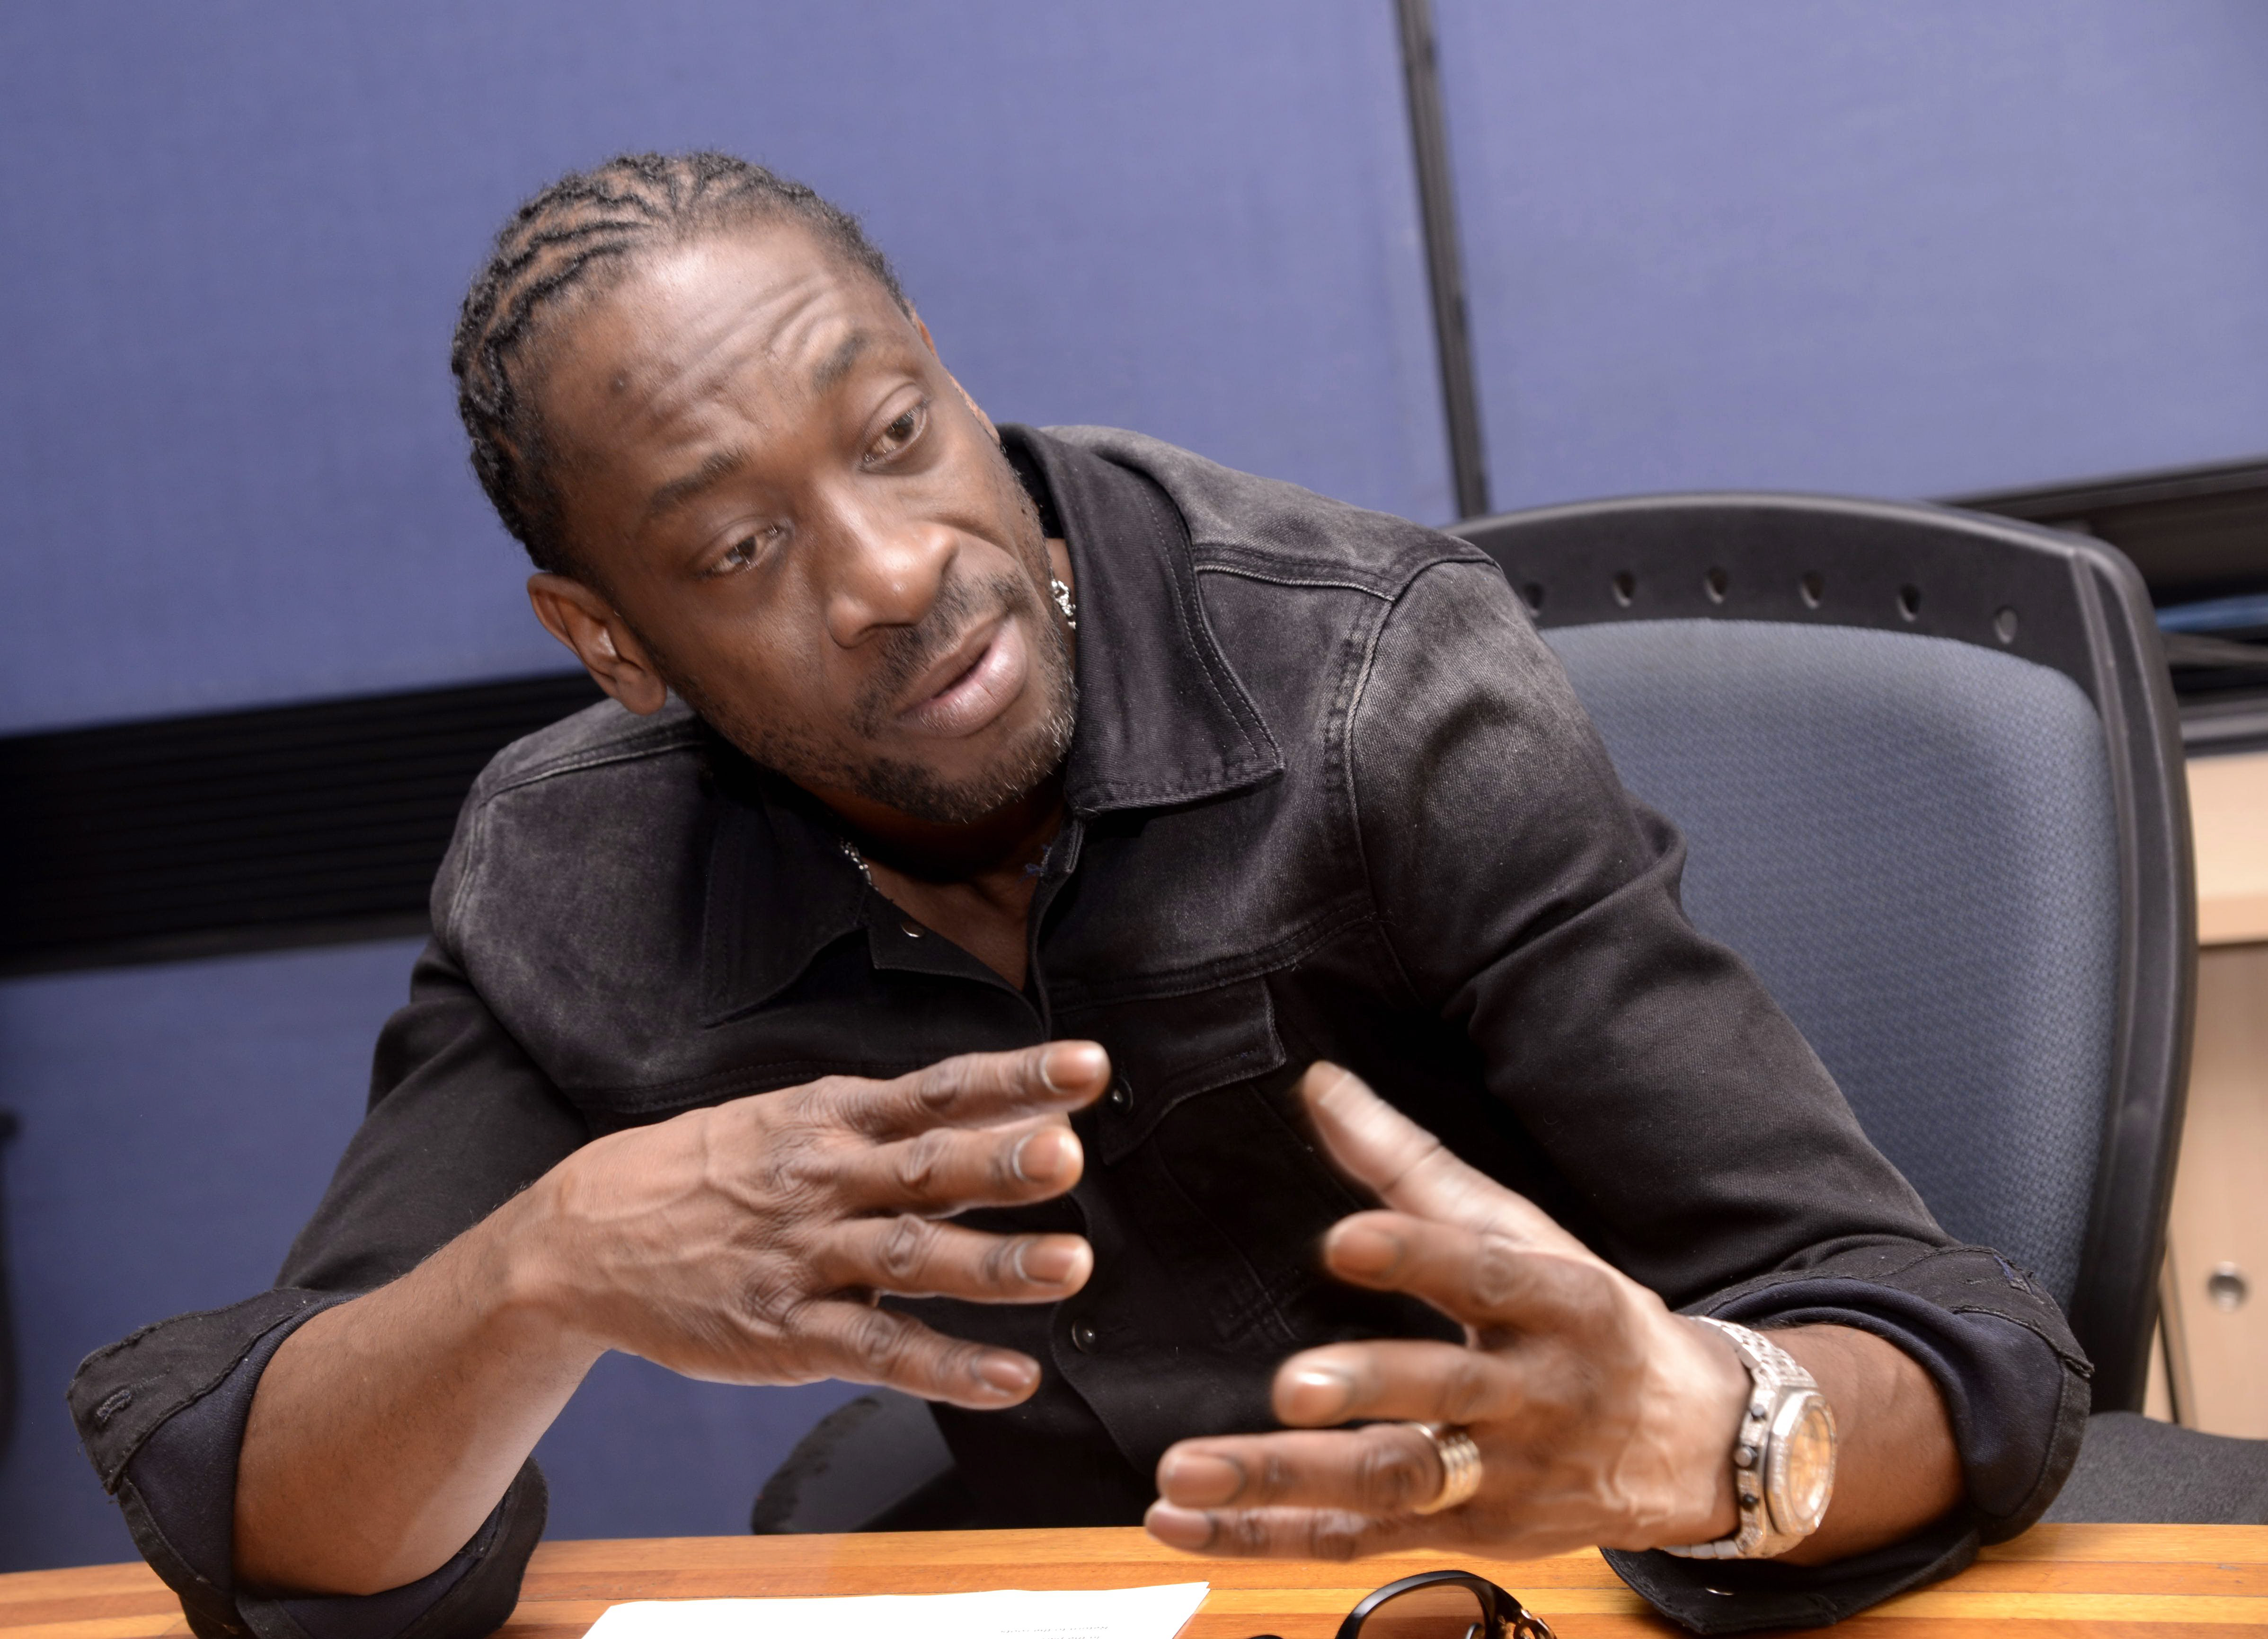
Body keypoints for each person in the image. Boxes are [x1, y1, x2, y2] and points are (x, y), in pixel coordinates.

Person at [72, 153, 2084, 1639]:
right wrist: (543, 1264)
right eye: (744, 547)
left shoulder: (1375, 685)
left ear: (948, 379)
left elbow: (1948, 1338)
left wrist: (1703, 1428)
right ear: (611, 642)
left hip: (1576, 1593)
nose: (892, 571)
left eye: (895, 434)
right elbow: (275, 1517)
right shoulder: (573, 872)